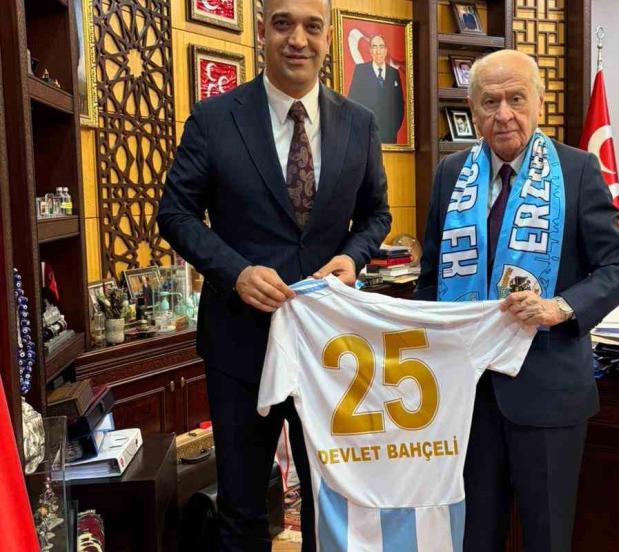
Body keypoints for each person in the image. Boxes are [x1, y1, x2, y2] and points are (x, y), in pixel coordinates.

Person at [157, 0, 392, 549]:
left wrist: (354, 257)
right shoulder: (214, 118)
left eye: (312, 26)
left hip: (330, 350)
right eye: (283, 23)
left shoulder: (359, 123)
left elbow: (377, 214)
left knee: (330, 504)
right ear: (262, 30)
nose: (298, 39)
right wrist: (235, 272)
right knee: (241, 509)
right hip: (241, 346)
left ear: (329, 36)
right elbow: (175, 213)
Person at [415, 49, 619, 551]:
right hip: (467, 394)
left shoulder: (577, 170)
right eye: (489, 101)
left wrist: (561, 308)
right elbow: (430, 279)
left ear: (539, 102)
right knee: (474, 537)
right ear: (472, 110)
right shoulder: (451, 173)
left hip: (547, 390)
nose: (504, 114)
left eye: (516, 99)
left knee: (546, 538)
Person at [347, 34, 404, 143]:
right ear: (370, 50)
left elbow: (399, 105)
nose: (378, 51)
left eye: (381, 47)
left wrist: (392, 129)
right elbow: (352, 102)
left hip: (389, 137)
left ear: (386, 50)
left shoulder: (394, 73)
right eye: (374, 47)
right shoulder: (361, 71)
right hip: (366, 135)